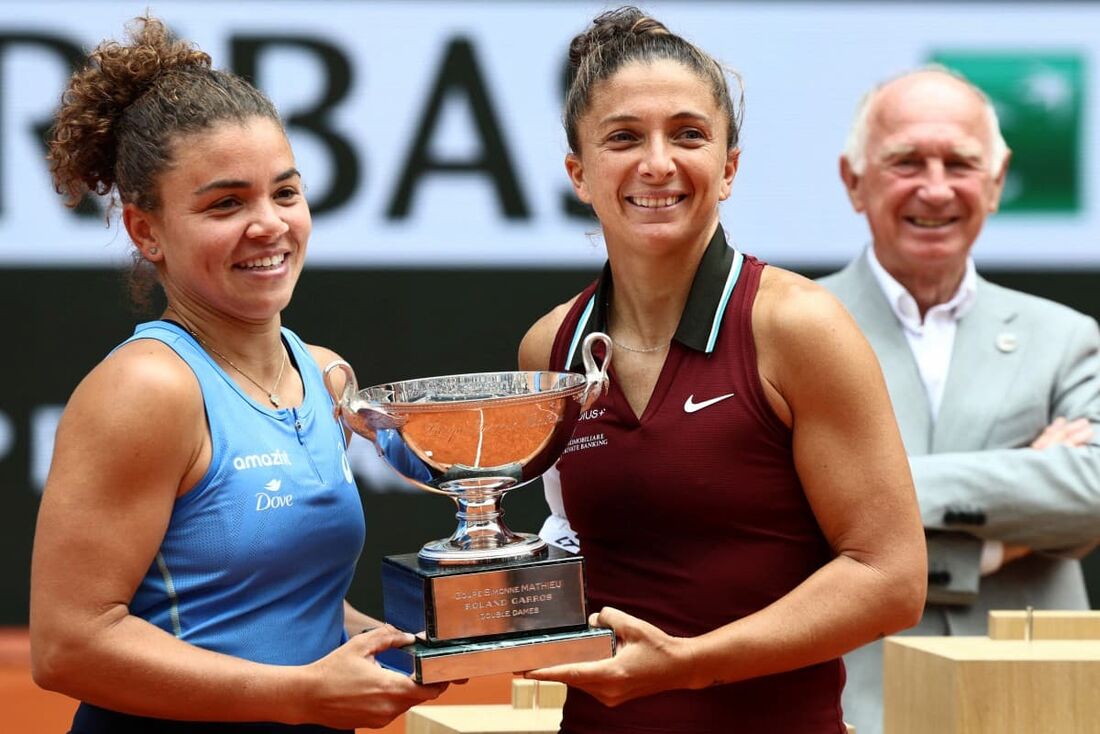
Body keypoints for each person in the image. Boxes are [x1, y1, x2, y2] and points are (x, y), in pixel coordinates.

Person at [29, 16, 445, 732]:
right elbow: (68, 646)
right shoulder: (147, 390)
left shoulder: (320, 375)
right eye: (226, 204)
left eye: (285, 193)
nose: (270, 225)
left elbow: (264, 605)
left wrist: (381, 646)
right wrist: (301, 694)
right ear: (145, 231)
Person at [518, 7, 927, 732]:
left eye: (688, 134)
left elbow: (890, 579)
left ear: (729, 167)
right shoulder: (549, 348)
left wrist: (694, 661)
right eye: (623, 137)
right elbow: (569, 553)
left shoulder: (796, 326)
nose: (657, 162)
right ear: (578, 174)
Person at [820, 67, 1100, 734]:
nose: (937, 187)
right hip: (847, 707)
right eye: (907, 160)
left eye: (961, 163)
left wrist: (863, 491)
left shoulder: (1066, 337)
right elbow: (775, 514)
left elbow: (1089, 494)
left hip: (1035, 703)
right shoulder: (786, 326)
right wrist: (1000, 536)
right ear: (853, 181)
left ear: (998, 179)